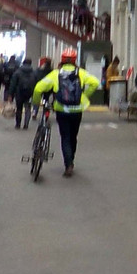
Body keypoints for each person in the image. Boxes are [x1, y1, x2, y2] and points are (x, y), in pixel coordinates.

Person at [32, 48, 100, 177]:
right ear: (75, 60)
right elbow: (95, 83)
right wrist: (84, 96)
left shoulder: (55, 74)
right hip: (77, 110)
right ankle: (71, 161)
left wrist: (36, 102)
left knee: (65, 137)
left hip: (61, 109)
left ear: (61, 60)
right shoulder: (81, 73)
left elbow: (38, 88)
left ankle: (68, 164)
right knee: (73, 136)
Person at [8, 57, 38, 129]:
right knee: (28, 108)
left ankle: (18, 124)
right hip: (30, 93)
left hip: (19, 93)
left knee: (19, 108)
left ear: (23, 63)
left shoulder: (17, 72)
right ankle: (26, 124)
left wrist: (10, 94)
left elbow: (13, 84)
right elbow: (36, 83)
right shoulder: (34, 73)